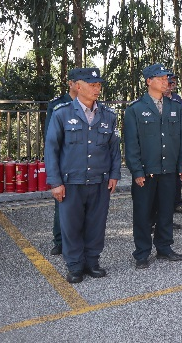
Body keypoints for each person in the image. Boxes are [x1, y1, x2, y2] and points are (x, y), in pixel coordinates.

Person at [45, 67, 121, 283]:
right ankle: (75, 265)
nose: (97, 89)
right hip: (71, 181)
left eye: (99, 85)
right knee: (71, 226)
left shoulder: (108, 115)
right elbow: (51, 149)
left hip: (99, 180)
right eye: (92, 85)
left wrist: (114, 174)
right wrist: (55, 182)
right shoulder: (62, 114)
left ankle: (92, 262)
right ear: (78, 86)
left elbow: (114, 149)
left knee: (96, 224)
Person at [124, 63, 182, 269]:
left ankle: (164, 247)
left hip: (168, 168)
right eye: (160, 78)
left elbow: (181, 138)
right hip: (146, 170)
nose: (165, 82)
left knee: (166, 211)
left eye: (166, 78)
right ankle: (142, 252)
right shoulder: (136, 109)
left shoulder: (175, 107)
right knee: (143, 213)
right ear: (149, 81)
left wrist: (181, 165)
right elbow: (131, 144)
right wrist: (136, 170)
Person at [44, 68, 79, 256]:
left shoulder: (91, 104)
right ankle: (59, 240)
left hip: (83, 161)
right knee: (62, 203)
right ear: (71, 84)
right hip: (65, 160)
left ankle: (77, 239)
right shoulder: (57, 105)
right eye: (78, 82)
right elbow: (50, 138)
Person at [165, 74, 182, 217]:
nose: (169, 87)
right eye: (168, 83)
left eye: (172, 84)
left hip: (175, 144)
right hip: (163, 146)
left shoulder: (177, 100)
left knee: (177, 177)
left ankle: (177, 203)